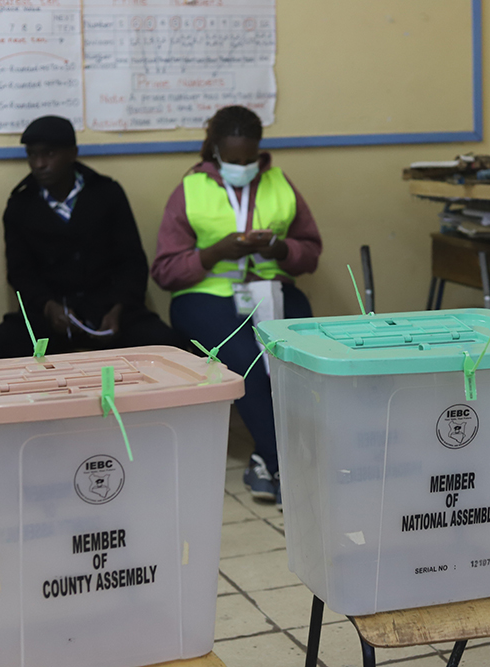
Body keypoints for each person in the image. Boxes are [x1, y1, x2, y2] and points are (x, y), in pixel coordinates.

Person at [151, 106, 322, 507]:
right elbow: (165, 270)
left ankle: (267, 459)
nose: (242, 167)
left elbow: (310, 254)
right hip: (206, 294)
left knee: (298, 357)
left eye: (250, 159)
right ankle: (283, 462)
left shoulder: (280, 184)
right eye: (233, 160)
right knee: (245, 359)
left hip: (272, 288)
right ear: (214, 151)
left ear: (260, 151)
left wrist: (281, 248)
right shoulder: (190, 189)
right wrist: (214, 253)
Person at [0, 116, 178, 357]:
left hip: (109, 310)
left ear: (72, 153)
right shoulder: (20, 205)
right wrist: (48, 306)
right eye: (32, 155)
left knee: (167, 345)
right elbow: (20, 273)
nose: (39, 163)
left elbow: (132, 261)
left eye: (49, 154)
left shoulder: (107, 193)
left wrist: (118, 307)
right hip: (50, 315)